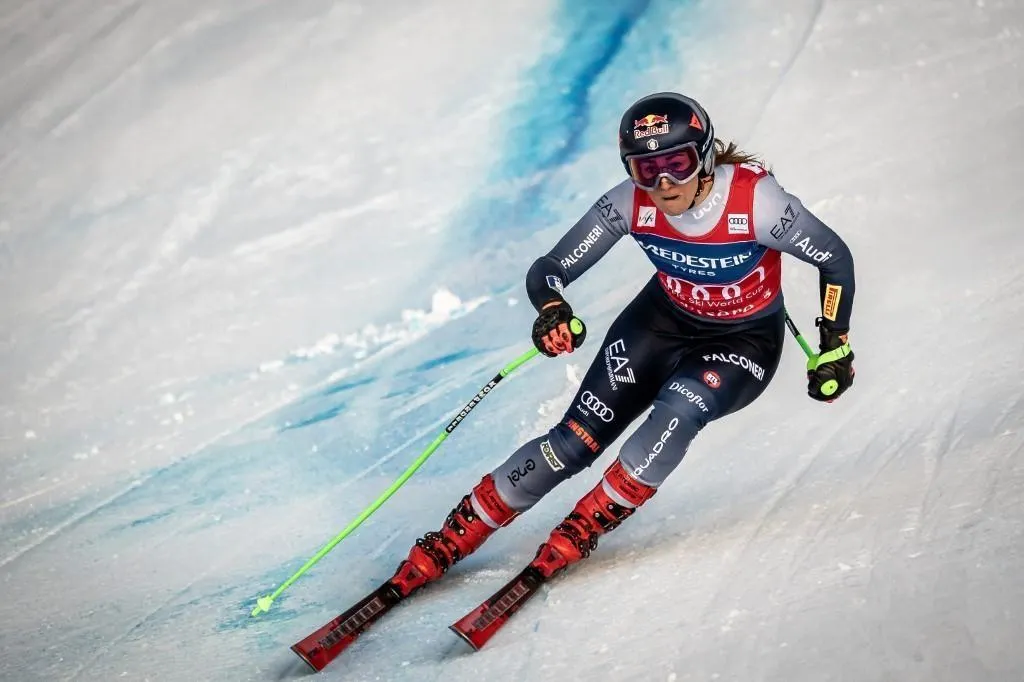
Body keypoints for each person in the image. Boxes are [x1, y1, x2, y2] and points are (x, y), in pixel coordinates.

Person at [388, 92, 856, 594]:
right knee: (572, 442)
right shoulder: (628, 203)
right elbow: (550, 269)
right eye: (645, 168)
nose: (663, 183)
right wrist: (552, 309)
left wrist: (835, 343)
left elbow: (834, 257)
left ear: (704, 155)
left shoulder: (757, 204)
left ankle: (585, 525)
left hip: (743, 340)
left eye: (676, 163)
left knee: (680, 406)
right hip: (660, 322)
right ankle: (459, 532)